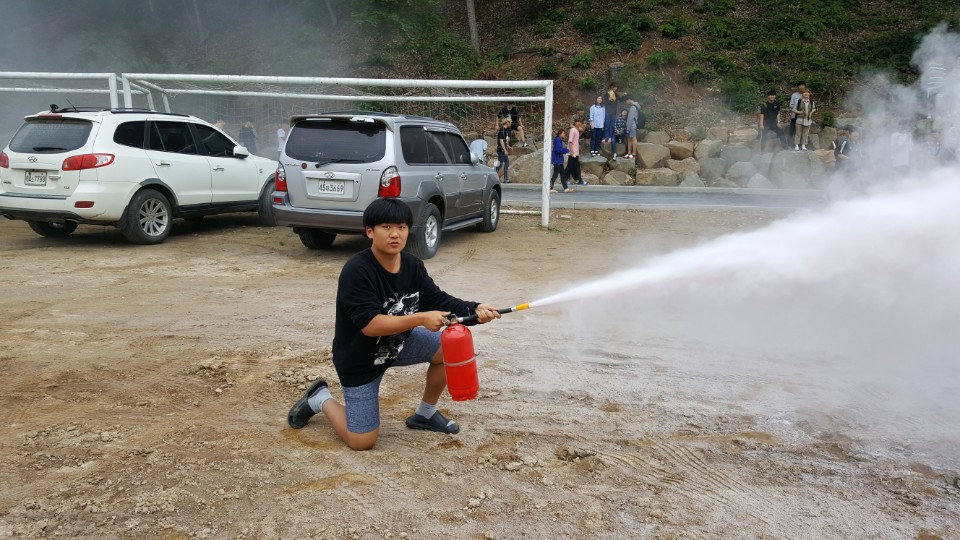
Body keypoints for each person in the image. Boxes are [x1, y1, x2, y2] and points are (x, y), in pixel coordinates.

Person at [286, 198, 501, 450]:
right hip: (360, 360)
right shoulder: (357, 270)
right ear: (370, 231)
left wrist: (475, 310)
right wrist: (421, 318)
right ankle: (320, 398)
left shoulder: (412, 265)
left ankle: (425, 414)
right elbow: (370, 325)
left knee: (448, 348)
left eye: (401, 227)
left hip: (398, 344)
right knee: (362, 441)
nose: (395, 234)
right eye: (386, 227)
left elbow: (438, 300)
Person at [549, 128, 572, 193]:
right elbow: (558, 150)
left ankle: (566, 188)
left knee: (562, 175)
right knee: (555, 175)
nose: (564, 135)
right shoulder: (558, 140)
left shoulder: (558, 140)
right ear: (559, 134)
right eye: (563, 133)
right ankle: (550, 188)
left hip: (559, 161)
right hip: (557, 161)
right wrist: (566, 150)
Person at [566, 119, 585, 187]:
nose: (579, 123)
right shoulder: (573, 130)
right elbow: (570, 141)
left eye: (580, 122)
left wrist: (577, 153)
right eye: (578, 122)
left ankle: (578, 179)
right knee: (570, 166)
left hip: (575, 152)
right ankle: (566, 179)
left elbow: (576, 141)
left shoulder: (576, 130)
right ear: (575, 123)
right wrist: (571, 151)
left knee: (576, 166)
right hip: (572, 152)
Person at [495, 118, 511, 183]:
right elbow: (501, 141)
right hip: (500, 149)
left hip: (504, 149)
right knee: (500, 164)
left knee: (507, 164)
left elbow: (506, 139)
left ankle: (506, 179)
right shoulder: (502, 130)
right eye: (510, 122)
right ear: (506, 123)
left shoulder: (508, 130)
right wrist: (505, 150)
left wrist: (508, 145)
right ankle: (493, 174)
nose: (510, 124)